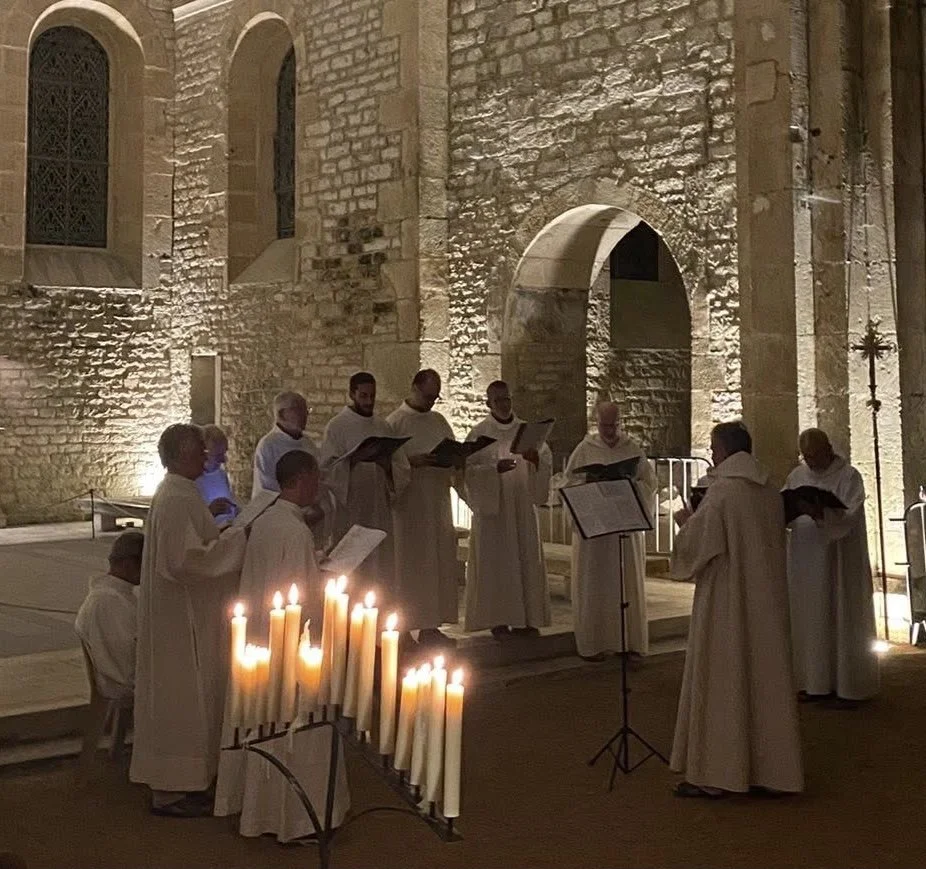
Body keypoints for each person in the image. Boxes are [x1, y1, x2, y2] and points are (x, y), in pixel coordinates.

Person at [670, 421, 802, 798]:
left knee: (723, 680)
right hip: (766, 602)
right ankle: (769, 770)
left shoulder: (723, 493)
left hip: (725, 601)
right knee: (763, 680)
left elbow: (699, 547)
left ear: (726, 450)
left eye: (713, 448)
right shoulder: (768, 489)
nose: (712, 455)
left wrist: (685, 524)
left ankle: (719, 775)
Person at [130, 424, 247, 818]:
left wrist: (220, 532)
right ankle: (171, 789)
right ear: (181, 455)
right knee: (182, 699)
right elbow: (184, 561)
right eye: (200, 451)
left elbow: (190, 544)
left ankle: (184, 782)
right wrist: (237, 541)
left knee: (185, 698)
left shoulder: (179, 492)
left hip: (180, 613)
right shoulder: (178, 497)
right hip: (181, 619)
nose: (207, 458)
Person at [784, 428, 879, 703]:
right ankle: (812, 683)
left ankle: (847, 685)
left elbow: (849, 516)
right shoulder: (797, 476)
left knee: (839, 615)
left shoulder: (848, 476)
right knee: (810, 617)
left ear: (828, 448)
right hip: (805, 559)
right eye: (806, 456)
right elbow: (783, 507)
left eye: (814, 455)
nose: (810, 461)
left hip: (838, 561)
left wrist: (821, 512)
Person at [562, 401, 656, 659]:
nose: (609, 430)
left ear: (621, 423)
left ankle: (628, 643)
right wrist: (591, 484)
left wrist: (630, 486)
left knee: (624, 584)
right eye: (604, 425)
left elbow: (649, 483)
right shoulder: (585, 450)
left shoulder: (632, 449)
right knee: (596, 583)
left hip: (623, 528)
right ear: (597, 423)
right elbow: (569, 483)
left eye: (614, 425)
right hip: (596, 531)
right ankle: (594, 644)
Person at [462, 380, 551, 638]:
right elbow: (467, 471)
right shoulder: (479, 434)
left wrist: (535, 462)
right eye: (498, 400)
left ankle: (527, 619)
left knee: (526, 560)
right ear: (488, 403)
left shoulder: (527, 431)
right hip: (495, 514)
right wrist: (492, 471)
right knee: (498, 565)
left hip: (522, 509)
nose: (504, 404)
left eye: (507, 399)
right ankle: (499, 620)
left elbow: (544, 460)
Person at [387, 369, 459, 648]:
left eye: (435, 397)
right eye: (428, 395)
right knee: (409, 567)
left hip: (437, 503)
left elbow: (452, 454)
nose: (431, 402)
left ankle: (431, 625)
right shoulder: (395, 423)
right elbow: (390, 465)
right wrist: (411, 462)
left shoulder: (439, 421)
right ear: (414, 387)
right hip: (410, 509)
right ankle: (403, 627)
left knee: (436, 564)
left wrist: (455, 459)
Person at [320, 372, 409, 600]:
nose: (369, 401)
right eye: (363, 396)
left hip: (378, 505)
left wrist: (387, 465)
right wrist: (354, 460)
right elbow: (328, 469)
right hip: (352, 508)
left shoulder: (382, 425)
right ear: (351, 394)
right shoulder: (337, 427)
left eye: (372, 396)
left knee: (380, 565)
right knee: (353, 565)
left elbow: (401, 466)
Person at [239, 450, 324, 638]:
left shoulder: (262, 521)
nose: (318, 488)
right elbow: (303, 591)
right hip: (285, 633)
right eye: (315, 479)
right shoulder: (297, 531)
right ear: (302, 480)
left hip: (257, 619)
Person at [74, 530, 145, 701]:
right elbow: (124, 670)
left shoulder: (118, 597)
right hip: (126, 697)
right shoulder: (108, 602)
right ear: (128, 564)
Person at [252, 392, 320, 498]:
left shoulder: (308, 444)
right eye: (298, 410)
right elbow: (267, 488)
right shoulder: (268, 446)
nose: (305, 415)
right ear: (282, 414)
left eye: (306, 410)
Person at [196, 424, 238, 524]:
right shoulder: (192, 481)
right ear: (203, 454)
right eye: (218, 455)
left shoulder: (222, 475)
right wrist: (210, 512)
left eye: (225, 453)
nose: (223, 460)